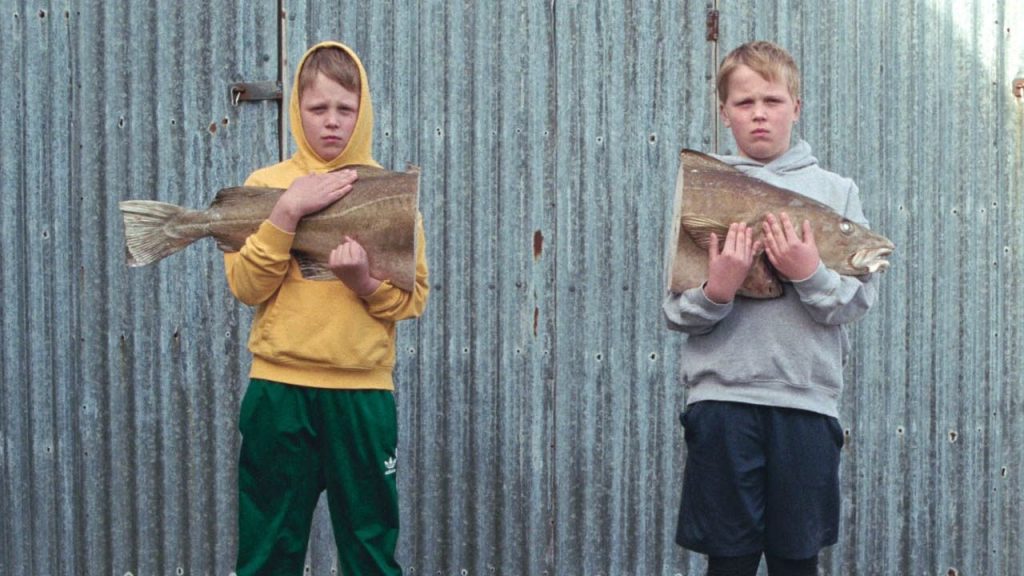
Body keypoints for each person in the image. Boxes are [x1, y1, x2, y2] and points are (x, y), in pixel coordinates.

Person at [663, 41, 881, 576]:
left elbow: (855, 300)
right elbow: (676, 313)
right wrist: (719, 288)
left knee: (795, 561)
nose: (759, 113)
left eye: (773, 99)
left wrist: (808, 270)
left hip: (807, 407)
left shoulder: (836, 191)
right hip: (722, 404)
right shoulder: (703, 191)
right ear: (724, 114)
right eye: (744, 103)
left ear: (796, 107)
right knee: (729, 562)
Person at [224, 41, 429, 576]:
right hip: (278, 392)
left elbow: (414, 299)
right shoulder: (264, 188)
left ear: (363, 112)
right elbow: (247, 286)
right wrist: (287, 212)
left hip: (361, 394)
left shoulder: (389, 192)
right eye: (318, 109)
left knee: (369, 551)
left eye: (345, 109)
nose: (332, 123)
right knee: (268, 548)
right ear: (297, 109)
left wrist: (364, 283)